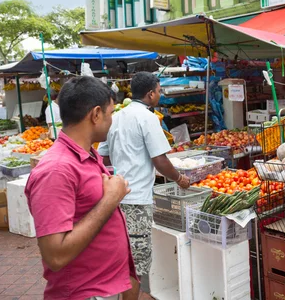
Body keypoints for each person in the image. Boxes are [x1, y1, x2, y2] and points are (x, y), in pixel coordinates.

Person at [25, 76, 139, 300]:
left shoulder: (87, 154)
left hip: (105, 287)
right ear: (96, 114)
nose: (112, 120)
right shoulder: (57, 170)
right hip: (84, 292)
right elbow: (55, 255)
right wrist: (111, 198)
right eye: (111, 113)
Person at [98, 72, 190, 287]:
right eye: (159, 91)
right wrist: (180, 179)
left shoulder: (116, 116)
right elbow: (160, 160)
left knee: (121, 256)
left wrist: (127, 157)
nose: (160, 94)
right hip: (137, 199)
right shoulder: (148, 118)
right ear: (150, 94)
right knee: (137, 264)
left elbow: (104, 154)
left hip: (116, 198)